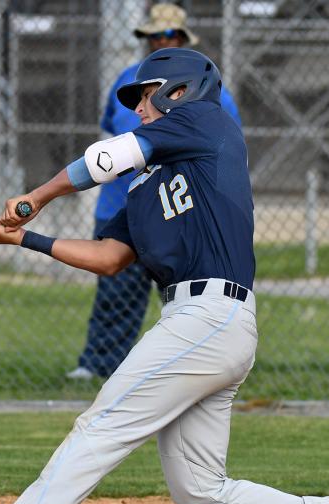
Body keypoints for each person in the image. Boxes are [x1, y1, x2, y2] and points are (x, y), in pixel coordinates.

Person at [0, 48, 329, 504]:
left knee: (102, 425)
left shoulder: (207, 122)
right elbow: (109, 258)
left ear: (178, 92)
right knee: (200, 491)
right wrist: (26, 238)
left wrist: (38, 195)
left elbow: (106, 158)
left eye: (145, 98)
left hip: (211, 316)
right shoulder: (147, 188)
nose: (138, 111)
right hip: (202, 324)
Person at [66, 2, 242, 381]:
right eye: (154, 36)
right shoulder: (127, 80)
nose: (160, 41)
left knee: (185, 294)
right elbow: (108, 134)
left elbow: (224, 151)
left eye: (169, 36)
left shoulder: (209, 92)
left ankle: (184, 367)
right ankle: (98, 364)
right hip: (123, 203)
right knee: (115, 293)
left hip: (180, 208)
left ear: (181, 39)